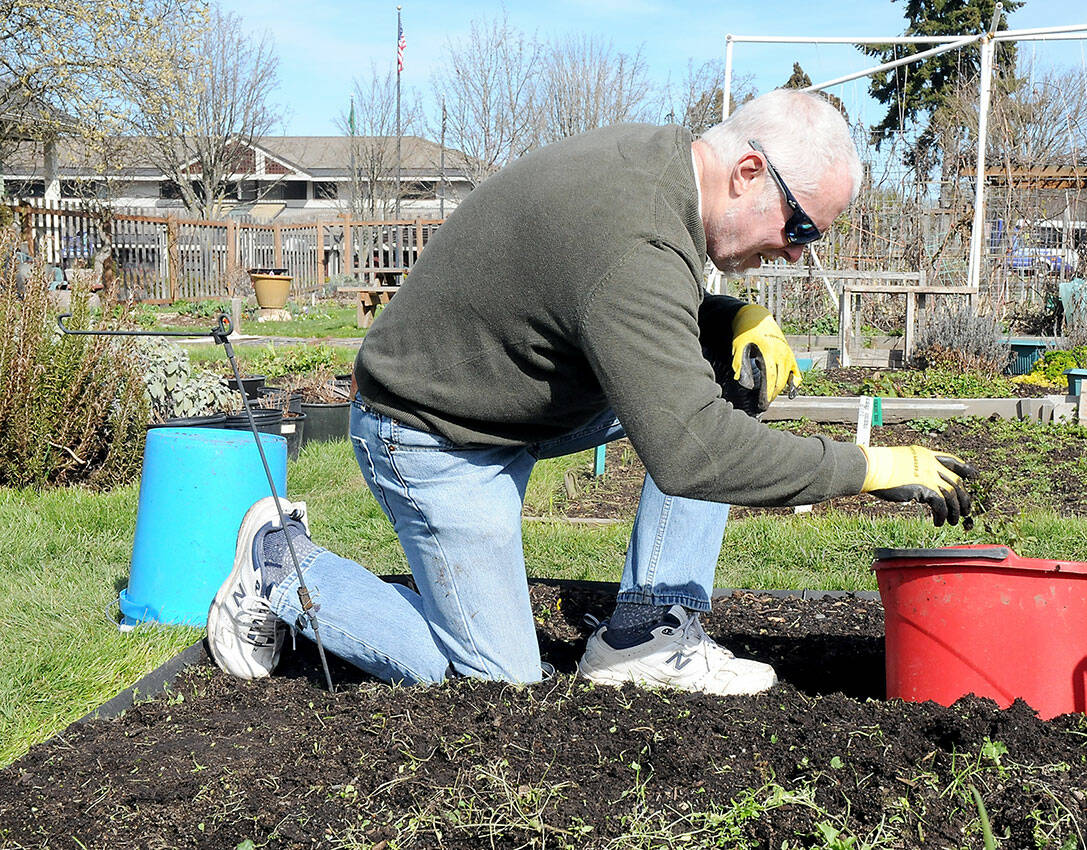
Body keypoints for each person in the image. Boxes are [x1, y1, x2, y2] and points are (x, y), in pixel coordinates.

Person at [206, 89, 976, 696]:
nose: (796, 255)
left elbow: (600, 297)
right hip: (431, 432)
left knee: (728, 370)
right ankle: (281, 563)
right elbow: (692, 454)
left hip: (514, 396)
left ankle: (644, 635)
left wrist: (731, 316)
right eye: (801, 228)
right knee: (489, 683)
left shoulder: (659, 165)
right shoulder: (638, 240)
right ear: (749, 173)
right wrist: (869, 467)